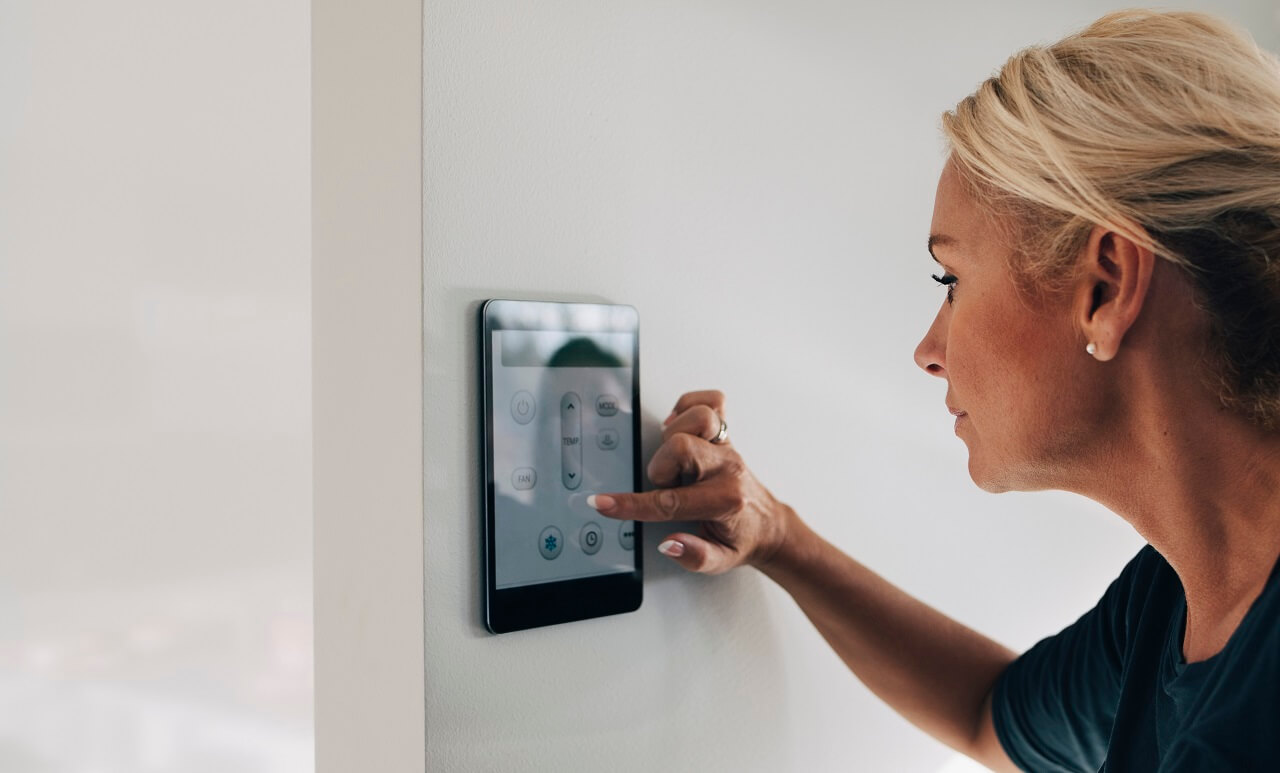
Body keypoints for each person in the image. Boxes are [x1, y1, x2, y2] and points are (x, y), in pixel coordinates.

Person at [586, 10, 1280, 772]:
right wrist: (777, 534)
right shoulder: (1174, 599)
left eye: (952, 280)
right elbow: (989, 714)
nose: (928, 351)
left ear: (1106, 287)